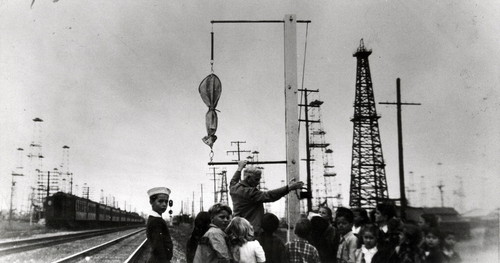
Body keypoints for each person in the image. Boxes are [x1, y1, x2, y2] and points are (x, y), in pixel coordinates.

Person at [230, 160, 304, 235]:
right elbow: (269, 196)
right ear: (248, 178)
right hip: (250, 230)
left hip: (238, 228)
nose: (258, 182)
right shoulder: (249, 193)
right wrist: (288, 188)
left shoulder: (234, 188)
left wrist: (240, 168)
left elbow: (233, 181)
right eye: (256, 179)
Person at [146, 187, 173, 263]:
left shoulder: (156, 219)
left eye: (166, 201)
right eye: (160, 201)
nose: (164, 204)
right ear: (151, 202)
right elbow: (158, 248)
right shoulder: (156, 221)